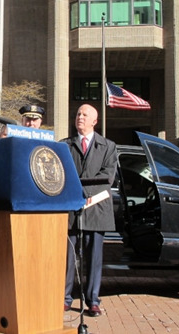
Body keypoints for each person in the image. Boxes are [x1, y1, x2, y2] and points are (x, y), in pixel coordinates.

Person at [60, 104, 117, 317]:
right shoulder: (64, 145)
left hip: (97, 208)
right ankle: (65, 298)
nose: (80, 117)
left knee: (94, 258)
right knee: (67, 257)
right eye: (77, 114)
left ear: (95, 121)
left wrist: (78, 187)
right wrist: (76, 190)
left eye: (85, 115)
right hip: (71, 210)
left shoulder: (108, 146)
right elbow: (60, 174)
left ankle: (93, 300)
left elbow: (107, 177)